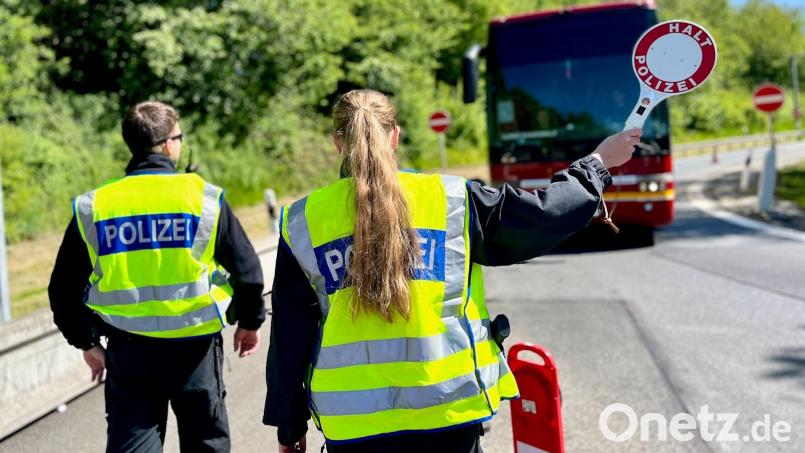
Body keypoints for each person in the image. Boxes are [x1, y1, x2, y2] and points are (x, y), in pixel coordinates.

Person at [262, 89, 640, 452]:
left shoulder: (303, 221)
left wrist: (289, 426)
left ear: (337, 143)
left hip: (353, 426)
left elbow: (289, 335)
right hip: (449, 412)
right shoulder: (453, 199)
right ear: (394, 136)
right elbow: (541, 216)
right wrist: (597, 164)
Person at [49, 101, 266, 453]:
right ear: (168, 144)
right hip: (195, 349)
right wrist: (250, 321)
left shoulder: (96, 206)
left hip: (130, 351)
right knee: (205, 444)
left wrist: (86, 342)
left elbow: (62, 290)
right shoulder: (204, 199)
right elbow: (249, 272)